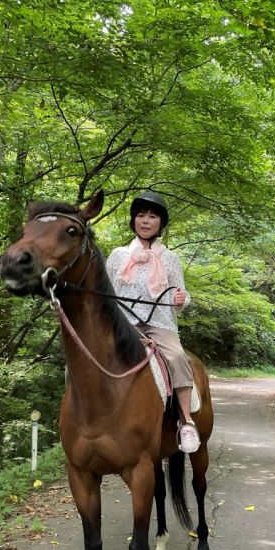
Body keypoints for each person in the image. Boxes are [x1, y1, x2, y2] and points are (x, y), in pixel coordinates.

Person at [106, 191, 201, 454]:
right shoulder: (118, 255)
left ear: (160, 223)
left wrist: (182, 298)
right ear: (133, 220)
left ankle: (186, 421)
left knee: (177, 357)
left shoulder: (170, 259)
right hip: (124, 323)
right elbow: (106, 294)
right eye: (140, 215)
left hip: (160, 323)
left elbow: (180, 293)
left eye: (152, 216)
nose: (145, 221)